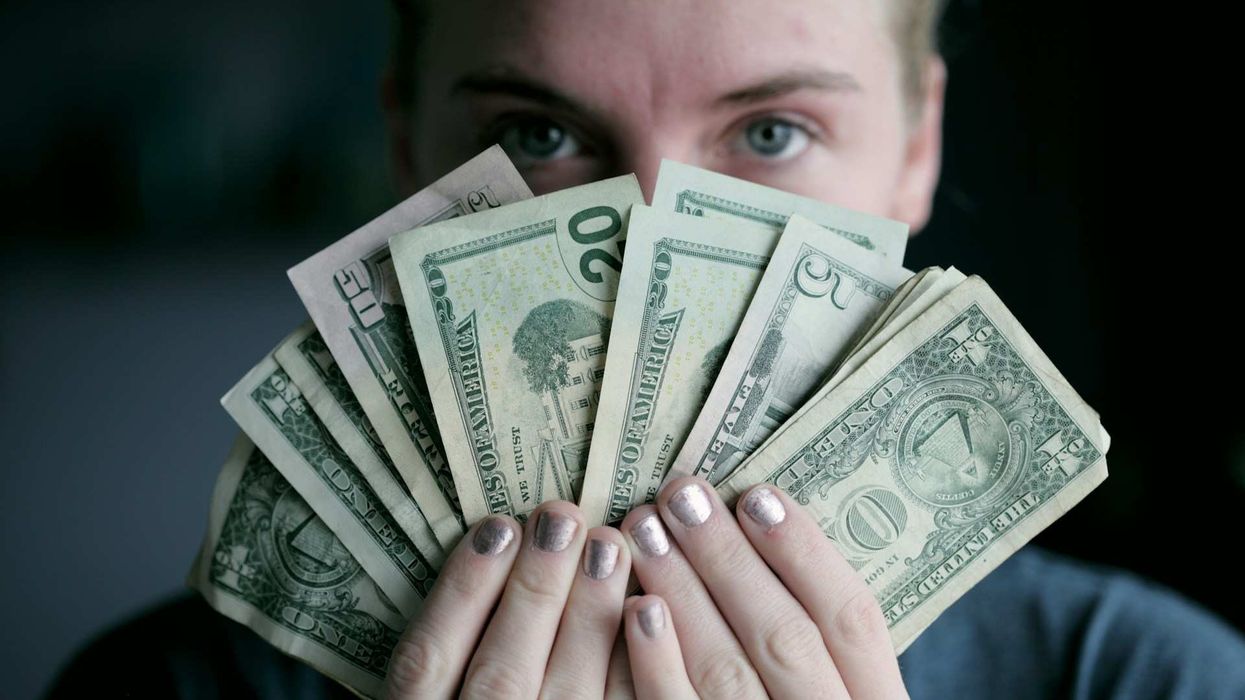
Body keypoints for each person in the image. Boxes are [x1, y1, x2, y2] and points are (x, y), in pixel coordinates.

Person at [48, 1, 1245, 698]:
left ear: (918, 149)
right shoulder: (161, 691)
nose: (649, 235)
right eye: (539, 133)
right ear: (407, 150)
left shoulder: (1156, 679)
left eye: (771, 133)